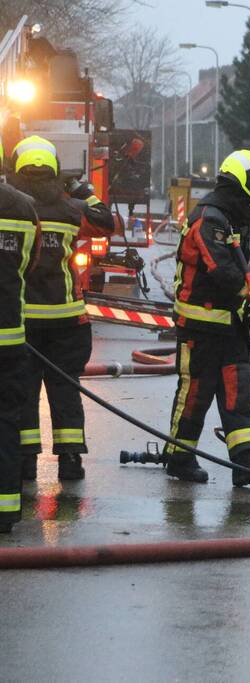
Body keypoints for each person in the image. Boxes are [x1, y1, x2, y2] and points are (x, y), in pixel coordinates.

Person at [163, 149, 250, 487]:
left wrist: (249, 298)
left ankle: (245, 461)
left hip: (230, 325)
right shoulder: (209, 218)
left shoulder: (230, 219)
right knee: (195, 393)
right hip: (200, 325)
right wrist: (248, 293)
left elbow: (238, 269)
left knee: (238, 390)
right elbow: (223, 271)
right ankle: (179, 458)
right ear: (241, 187)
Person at [10, 135, 114, 481]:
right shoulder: (73, 210)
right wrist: (83, 188)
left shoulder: (15, 208)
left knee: (22, 392)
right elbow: (106, 221)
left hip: (21, 320)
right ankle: (70, 460)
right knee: (65, 389)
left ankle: (25, 462)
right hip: (67, 320)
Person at [0, 143, 41, 532]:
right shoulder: (23, 207)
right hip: (9, 337)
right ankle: (6, 511)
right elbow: (29, 262)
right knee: (6, 422)